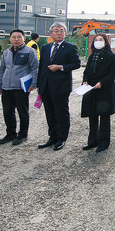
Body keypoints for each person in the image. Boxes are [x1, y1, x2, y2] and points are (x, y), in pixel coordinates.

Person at [37, 22, 81, 151]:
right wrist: (39, 84)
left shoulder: (70, 47)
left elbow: (76, 64)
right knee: (49, 113)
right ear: (51, 33)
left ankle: (61, 139)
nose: (59, 33)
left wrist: (60, 67)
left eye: (61, 30)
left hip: (61, 86)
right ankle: (52, 137)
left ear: (65, 33)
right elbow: (41, 67)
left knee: (61, 113)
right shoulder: (45, 47)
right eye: (56, 31)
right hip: (46, 86)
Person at [0, 29, 38, 146]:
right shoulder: (6, 52)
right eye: (13, 37)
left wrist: (33, 84)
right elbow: (2, 69)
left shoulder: (30, 51)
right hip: (6, 87)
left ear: (24, 38)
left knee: (22, 111)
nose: (16, 39)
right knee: (8, 112)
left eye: (19, 37)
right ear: (10, 39)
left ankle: (23, 134)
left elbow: (35, 68)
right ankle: (10, 134)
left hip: (21, 87)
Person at [81, 33, 115, 153]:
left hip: (104, 90)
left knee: (104, 117)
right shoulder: (92, 56)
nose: (98, 41)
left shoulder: (110, 56)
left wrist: (101, 82)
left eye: (100, 39)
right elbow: (86, 70)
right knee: (92, 115)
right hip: (91, 89)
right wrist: (85, 80)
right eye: (96, 40)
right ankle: (92, 141)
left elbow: (114, 73)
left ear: (105, 42)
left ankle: (103, 143)